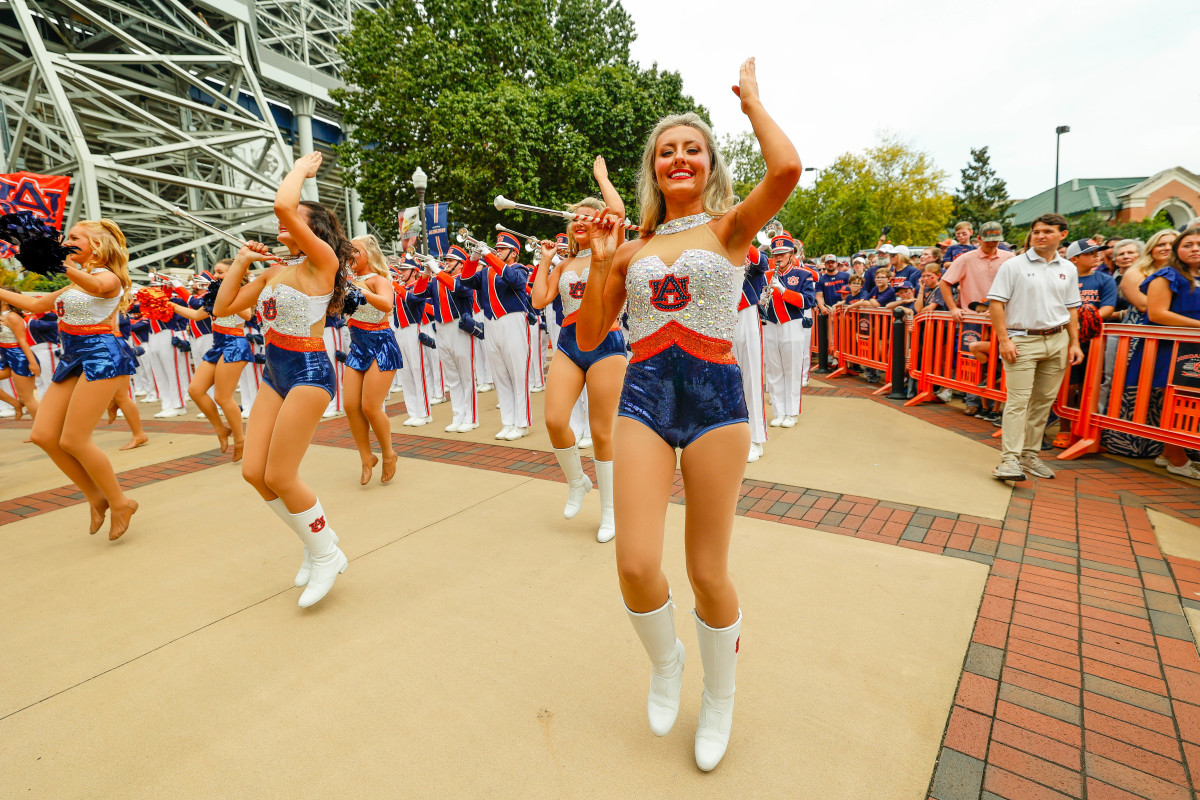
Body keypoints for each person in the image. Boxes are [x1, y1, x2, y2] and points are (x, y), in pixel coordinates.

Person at [576, 59, 801, 771]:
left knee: (707, 573)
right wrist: (599, 262)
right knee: (637, 563)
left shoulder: (732, 229)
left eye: (691, 148)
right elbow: (588, 338)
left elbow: (789, 169)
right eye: (666, 149)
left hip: (714, 405)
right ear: (653, 169)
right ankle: (667, 660)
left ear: (708, 164)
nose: (679, 157)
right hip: (642, 399)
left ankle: (721, 697)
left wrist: (753, 104)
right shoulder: (633, 247)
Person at [213, 151, 352, 608]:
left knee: (281, 473)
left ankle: (325, 552)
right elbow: (223, 309)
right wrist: (240, 262)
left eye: (294, 222)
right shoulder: (275, 271)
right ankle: (319, 544)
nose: (281, 228)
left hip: (310, 371)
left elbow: (282, 208)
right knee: (255, 472)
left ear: (311, 229)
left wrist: (299, 172)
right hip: (275, 371)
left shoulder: (322, 264)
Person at [0, 220, 139, 539]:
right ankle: (96, 498)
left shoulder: (108, 277)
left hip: (102, 356)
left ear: (98, 247)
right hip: (73, 357)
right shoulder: (75, 283)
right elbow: (36, 305)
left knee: (74, 440)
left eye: (75, 238)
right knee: (44, 435)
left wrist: (61, 262)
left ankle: (121, 502)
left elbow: (99, 289)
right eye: (67, 237)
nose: (65, 241)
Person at [530, 188, 628, 544]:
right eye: (576, 219)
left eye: (589, 217)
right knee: (555, 420)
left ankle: (609, 511)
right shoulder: (566, 265)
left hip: (607, 341)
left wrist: (601, 178)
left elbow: (617, 214)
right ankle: (577, 482)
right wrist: (545, 262)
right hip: (570, 343)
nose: (581, 222)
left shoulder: (614, 252)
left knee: (602, 432)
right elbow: (540, 299)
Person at [986, 213, 1083, 481]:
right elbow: (996, 304)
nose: (1040, 235)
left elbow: (1072, 308)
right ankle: (1009, 460)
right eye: (1036, 231)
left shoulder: (1069, 268)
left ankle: (1029, 455)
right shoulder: (1013, 265)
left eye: (1047, 231)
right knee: (1018, 401)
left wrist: (1074, 342)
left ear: (1062, 235)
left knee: (1043, 403)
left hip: (1058, 339)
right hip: (1023, 339)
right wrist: (1004, 340)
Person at [172, 260, 254, 460]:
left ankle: (241, 440)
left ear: (234, 272)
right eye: (215, 272)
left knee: (222, 397)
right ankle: (221, 429)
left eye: (220, 272)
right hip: (217, 345)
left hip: (234, 344)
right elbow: (196, 315)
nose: (215, 275)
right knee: (196, 390)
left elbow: (247, 314)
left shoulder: (243, 291)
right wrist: (171, 306)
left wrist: (227, 294)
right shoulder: (214, 294)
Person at [458, 232, 533, 441]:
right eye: (496, 248)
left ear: (513, 253)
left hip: (513, 321)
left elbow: (514, 281)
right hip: (491, 324)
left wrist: (489, 256)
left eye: (502, 248)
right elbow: (464, 281)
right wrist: (472, 258)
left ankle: (522, 423)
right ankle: (508, 422)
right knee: (500, 376)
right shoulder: (485, 272)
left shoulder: (519, 268)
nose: (497, 250)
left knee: (518, 374)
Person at [344, 234, 402, 485]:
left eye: (355, 251)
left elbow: (387, 305)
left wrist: (359, 289)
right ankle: (366, 457)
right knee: (350, 405)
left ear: (369, 253)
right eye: (348, 251)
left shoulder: (379, 280)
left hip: (381, 344)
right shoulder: (347, 282)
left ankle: (389, 453)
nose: (350, 256)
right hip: (357, 346)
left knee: (370, 406)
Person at [415, 246, 477, 431]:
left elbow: (458, 288)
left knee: (466, 375)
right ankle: (458, 416)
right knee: (452, 377)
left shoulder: (464, 279)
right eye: (446, 260)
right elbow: (417, 295)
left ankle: (471, 418)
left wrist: (437, 270)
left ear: (461, 265)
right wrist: (426, 274)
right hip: (441, 328)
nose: (446, 263)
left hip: (460, 327)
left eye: (450, 261)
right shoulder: (438, 280)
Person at [761, 232, 815, 427]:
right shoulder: (765, 275)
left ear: (791, 253)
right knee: (774, 370)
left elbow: (808, 301)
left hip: (792, 323)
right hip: (770, 325)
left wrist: (783, 290)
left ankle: (791, 412)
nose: (779, 257)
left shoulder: (803, 274)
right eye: (776, 254)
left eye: (783, 253)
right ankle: (778, 411)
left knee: (792, 370)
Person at [734, 245, 769, 462]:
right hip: (715, 313)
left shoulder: (745, 245)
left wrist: (741, 234)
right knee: (723, 381)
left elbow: (761, 263)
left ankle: (755, 438)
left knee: (751, 378)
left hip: (744, 309)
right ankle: (730, 437)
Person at [1119, 229, 1177, 327]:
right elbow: (1144, 306)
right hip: (1140, 333)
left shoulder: (1189, 273)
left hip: (1180, 332)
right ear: (1151, 249)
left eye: (1172, 244)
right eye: (1161, 245)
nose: (1167, 248)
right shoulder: (1135, 273)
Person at [0, 299, 40, 419]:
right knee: (24, 398)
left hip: (19, 357)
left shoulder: (13, 317)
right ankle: (16, 404)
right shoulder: (3, 316)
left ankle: (42, 431)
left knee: (27, 397)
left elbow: (23, 340)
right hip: (6, 356)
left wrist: (32, 362)